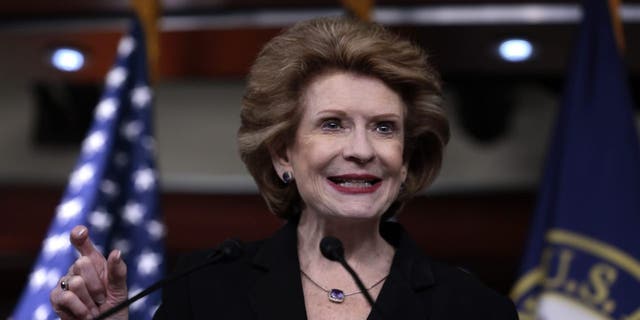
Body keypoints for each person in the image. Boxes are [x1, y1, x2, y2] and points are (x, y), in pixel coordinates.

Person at [50, 16, 518, 319]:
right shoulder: (207, 290)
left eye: (383, 128)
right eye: (332, 124)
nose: (362, 150)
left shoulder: (475, 310)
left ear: (406, 158)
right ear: (282, 154)